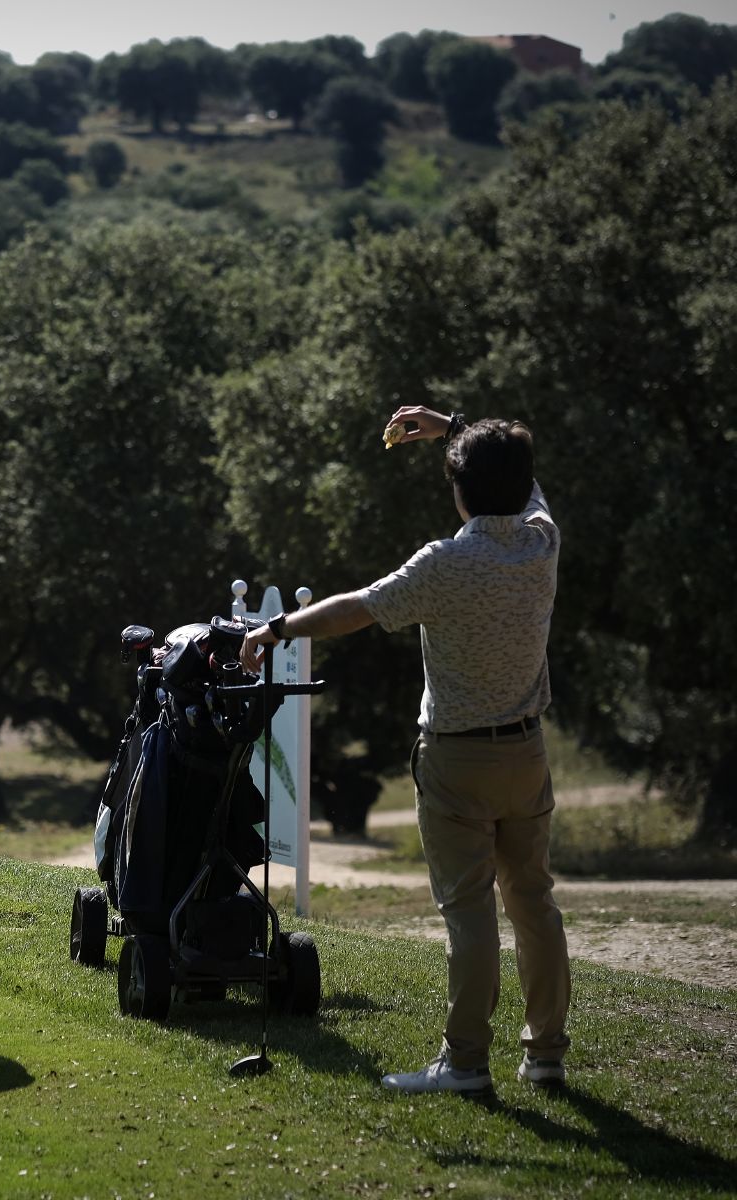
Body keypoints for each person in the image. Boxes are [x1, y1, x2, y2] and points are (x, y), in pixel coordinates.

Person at [240, 406, 569, 1094]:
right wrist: (453, 426)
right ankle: (544, 1055)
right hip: (528, 752)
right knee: (533, 903)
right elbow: (525, 486)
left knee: (470, 909)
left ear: (457, 491)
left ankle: (467, 1064)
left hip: (457, 759)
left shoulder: (444, 563)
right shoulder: (542, 541)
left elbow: (355, 608)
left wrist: (275, 628)